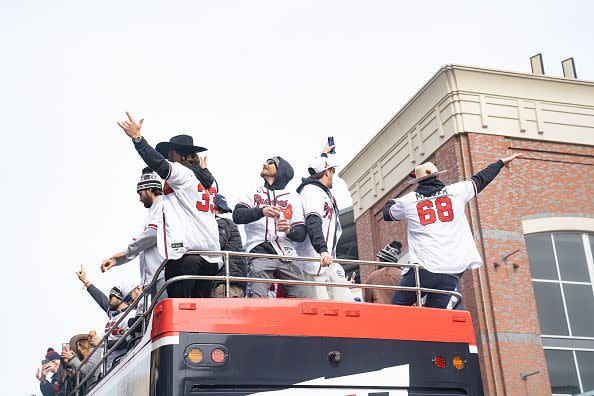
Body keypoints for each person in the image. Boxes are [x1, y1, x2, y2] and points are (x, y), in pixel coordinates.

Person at [383, 154, 520, 308]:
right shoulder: (457, 191)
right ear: (437, 177)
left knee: (396, 309)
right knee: (435, 321)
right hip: (451, 270)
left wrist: (392, 201)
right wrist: (500, 163)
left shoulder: (408, 201)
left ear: (418, 181)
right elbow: (481, 179)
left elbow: (387, 214)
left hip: (424, 269)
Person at [117, 112, 221, 298]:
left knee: (176, 312)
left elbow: (158, 164)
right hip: (212, 258)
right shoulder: (206, 181)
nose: (168, 157)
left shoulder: (183, 174)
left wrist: (137, 139)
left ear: (176, 154)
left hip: (189, 256)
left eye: (170, 154)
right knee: (199, 315)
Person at [232, 156, 311, 298]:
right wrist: (261, 211)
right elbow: (237, 216)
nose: (265, 164)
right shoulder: (254, 192)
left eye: (270, 162)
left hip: (287, 254)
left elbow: (301, 233)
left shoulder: (292, 197)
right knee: (258, 300)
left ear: (281, 170)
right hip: (259, 251)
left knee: (303, 299)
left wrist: (289, 230)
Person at [100, 167, 167, 304]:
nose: (140, 199)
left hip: (163, 273)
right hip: (153, 278)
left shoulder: (163, 206)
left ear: (149, 190)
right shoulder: (151, 213)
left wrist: (125, 251)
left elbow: (151, 236)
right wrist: (116, 261)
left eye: (140, 194)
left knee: (167, 321)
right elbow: (140, 245)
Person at [295, 147, 351, 301]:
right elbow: (313, 221)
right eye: (332, 171)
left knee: (345, 304)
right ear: (327, 172)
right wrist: (322, 250)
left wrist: (324, 153)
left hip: (327, 260)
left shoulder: (319, 189)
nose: (333, 175)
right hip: (314, 262)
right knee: (321, 310)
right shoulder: (311, 190)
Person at [211, 194, 247, 298]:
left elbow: (217, 245)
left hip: (226, 282)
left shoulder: (221, 223)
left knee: (224, 314)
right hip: (232, 280)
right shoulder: (226, 223)